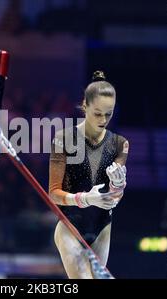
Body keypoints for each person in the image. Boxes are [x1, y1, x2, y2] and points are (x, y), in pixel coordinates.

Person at [49, 71, 129, 278]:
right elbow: (53, 193)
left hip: (102, 227)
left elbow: (115, 197)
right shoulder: (63, 138)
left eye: (109, 114)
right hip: (70, 225)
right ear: (85, 106)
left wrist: (117, 187)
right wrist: (83, 198)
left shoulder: (120, 144)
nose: (103, 120)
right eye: (97, 113)